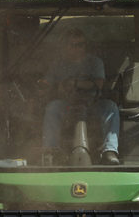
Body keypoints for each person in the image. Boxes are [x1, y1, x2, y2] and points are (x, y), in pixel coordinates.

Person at [41, 29, 120, 165]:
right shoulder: (58, 64)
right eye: (73, 45)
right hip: (67, 104)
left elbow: (99, 83)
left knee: (111, 107)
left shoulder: (95, 62)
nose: (78, 48)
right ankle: (51, 151)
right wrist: (43, 86)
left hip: (92, 104)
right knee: (52, 108)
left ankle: (110, 151)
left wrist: (76, 83)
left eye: (81, 44)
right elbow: (46, 83)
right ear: (65, 47)